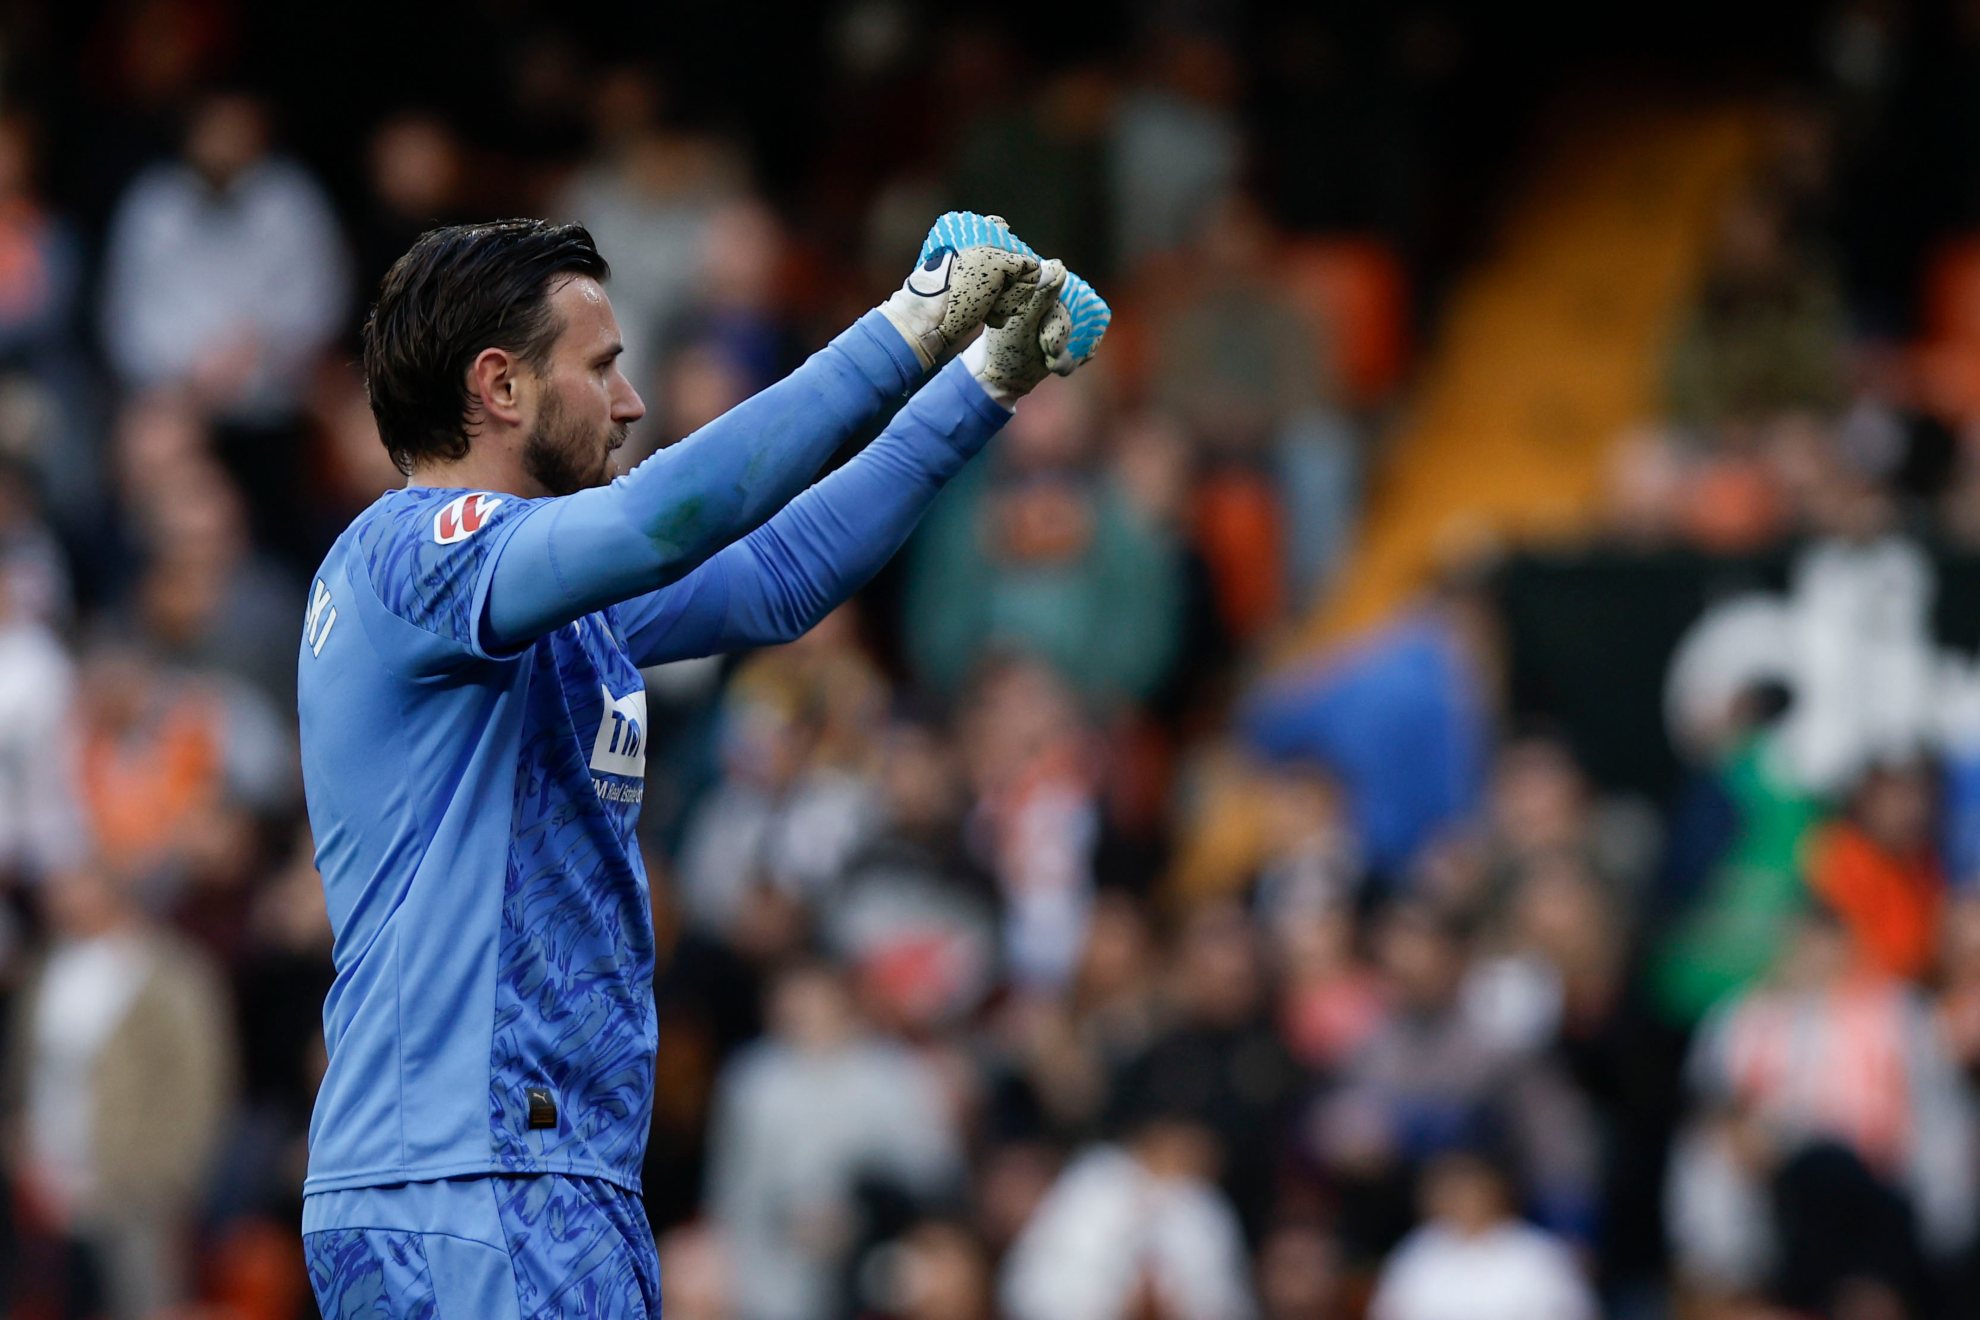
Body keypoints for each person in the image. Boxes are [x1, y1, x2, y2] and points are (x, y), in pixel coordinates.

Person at [294, 213, 1109, 1317]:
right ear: (501, 386)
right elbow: (660, 523)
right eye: (600, 368)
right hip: (467, 1176)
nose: (629, 403)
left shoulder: (544, 596)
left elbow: (779, 576)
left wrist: (983, 382)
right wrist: (909, 325)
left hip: (540, 1177)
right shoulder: (412, 554)